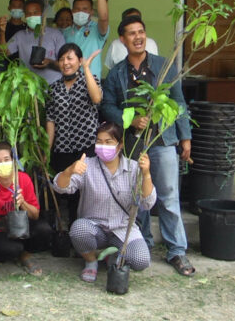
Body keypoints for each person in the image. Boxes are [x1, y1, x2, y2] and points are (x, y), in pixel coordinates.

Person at [101, 16, 194, 277]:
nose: (138, 37)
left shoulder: (164, 66)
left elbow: (179, 102)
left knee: (168, 197)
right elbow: (107, 106)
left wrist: (185, 137)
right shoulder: (117, 73)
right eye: (131, 33)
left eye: (141, 32)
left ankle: (177, 251)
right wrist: (129, 119)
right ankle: (142, 246)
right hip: (133, 144)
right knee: (137, 198)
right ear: (122, 40)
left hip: (162, 140)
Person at [53, 122, 155, 283]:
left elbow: (148, 203)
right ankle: (91, 260)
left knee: (141, 260)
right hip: (94, 228)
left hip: (123, 229)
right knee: (78, 229)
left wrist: (146, 173)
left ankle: (113, 255)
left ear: (120, 145)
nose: (103, 146)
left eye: (108, 142)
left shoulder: (134, 168)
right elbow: (60, 188)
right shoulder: (87, 165)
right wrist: (69, 170)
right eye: (99, 142)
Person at [0, 142, 52, 278]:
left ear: (14, 162)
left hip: (20, 229)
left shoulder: (23, 179)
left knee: (44, 229)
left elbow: (35, 215)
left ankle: (25, 254)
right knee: (9, 248)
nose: (3, 164)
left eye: (6, 160)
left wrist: (23, 203)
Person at [46, 43, 103, 224]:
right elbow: (50, 120)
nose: (65, 63)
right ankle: (72, 231)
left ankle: (87, 231)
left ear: (79, 61)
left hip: (87, 148)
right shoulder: (53, 88)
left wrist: (86, 69)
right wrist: (47, 150)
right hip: (63, 149)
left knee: (87, 193)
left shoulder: (90, 80)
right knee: (68, 195)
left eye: (69, 58)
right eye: (61, 59)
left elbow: (97, 98)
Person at [0, 0, 66, 84]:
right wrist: (2, 32)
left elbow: (65, 64)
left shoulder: (56, 34)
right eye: (28, 13)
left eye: (35, 13)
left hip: (54, 85)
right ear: (25, 16)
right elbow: (3, 53)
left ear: (43, 14)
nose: (32, 16)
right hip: (29, 86)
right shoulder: (20, 35)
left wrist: (50, 63)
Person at [61, 0, 109, 81]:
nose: (80, 12)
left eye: (85, 9)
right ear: (72, 11)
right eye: (77, 9)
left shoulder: (97, 30)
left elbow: (104, 17)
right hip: (69, 82)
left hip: (91, 82)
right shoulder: (65, 32)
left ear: (91, 12)